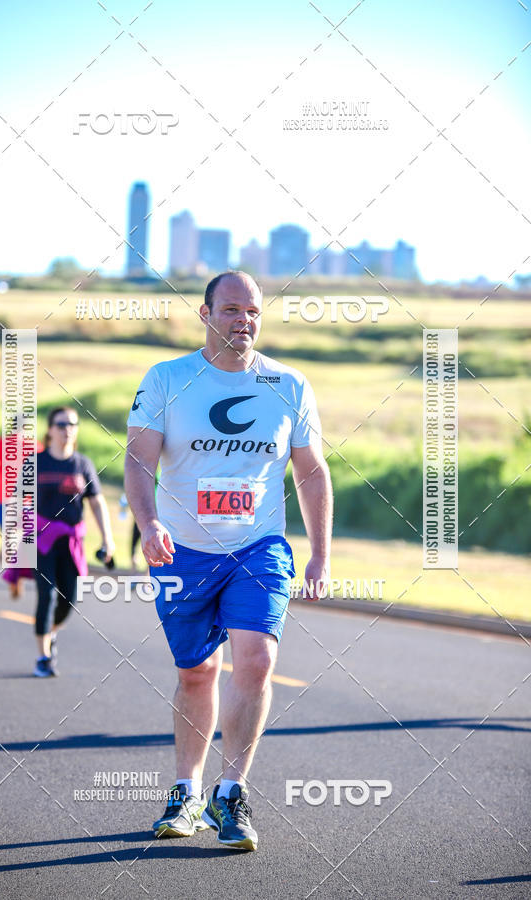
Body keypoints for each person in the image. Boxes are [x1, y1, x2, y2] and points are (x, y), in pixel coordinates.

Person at [125, 271, 332, 851]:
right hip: (182, 550)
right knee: (197, 672)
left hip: (257, 547)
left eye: (254, 312)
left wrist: (320, 554)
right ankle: (186, 791)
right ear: (206, 313)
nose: (245, 320)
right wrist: (149, 524)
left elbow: (312, 472)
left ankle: (231, 792)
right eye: (232, 309)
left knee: (257, 660)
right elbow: (138, 461)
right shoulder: (167, 378)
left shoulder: (288, 384)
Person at [29, 407, 115, 677]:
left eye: (72, 424)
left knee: (69, 600)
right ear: (50, 429)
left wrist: (108, 538)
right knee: (46, 595)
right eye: (61, 424)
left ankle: (52, 632)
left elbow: (96, 502)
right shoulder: (36, 462)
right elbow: (17, 501)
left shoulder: (82, 464)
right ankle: (43, 657)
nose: (67, 429)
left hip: (71, 542)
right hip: (42, 542)